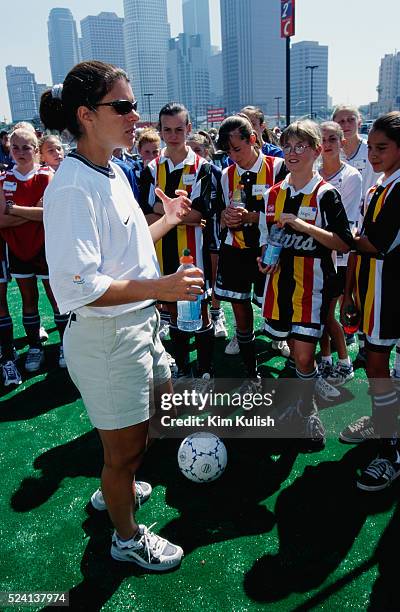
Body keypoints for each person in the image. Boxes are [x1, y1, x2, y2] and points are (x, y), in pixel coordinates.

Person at [40, 61, 200, 570]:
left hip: (137, 327)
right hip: (109, 338)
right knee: (124, 452)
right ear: (86, 115)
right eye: (124, 106)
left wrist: (167, 221)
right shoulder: (71, 188)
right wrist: (165, 287)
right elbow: (79, 287)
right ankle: (126, 536)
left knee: (148, 426)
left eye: (134, 104)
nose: (137, 117)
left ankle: (117, 490)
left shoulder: (108, 170)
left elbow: (125, 250)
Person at [258, 120, 353, 446]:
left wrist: (302, 225)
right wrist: (263, 259)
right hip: (279, 289)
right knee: (294, 355)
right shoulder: (273, 194)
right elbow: (265, 238)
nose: (293, 152)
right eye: (288, 146)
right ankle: (301, 405)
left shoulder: (326, 194)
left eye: (301, 146)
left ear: (316, 150)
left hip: (312, 290)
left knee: (302, 356)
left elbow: (343, 243)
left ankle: (308, 412)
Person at [339, 112, 400, 490]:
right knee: (376, 366)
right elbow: (362, 246)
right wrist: (350, 290)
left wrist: (328, 227)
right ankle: (384, 425)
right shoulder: (379, 185)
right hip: (374, 291)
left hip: (392, 293)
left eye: (382, 148)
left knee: (379, 367)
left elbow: (372, 244)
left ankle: (390, 450)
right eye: (371, 146)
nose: (373, 154)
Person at [140, 103, 215, 385]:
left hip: (194, 253)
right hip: (161, 252)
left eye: (179, 129)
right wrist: (177, 213)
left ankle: (206, 370)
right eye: (167, 130)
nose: (173, 135)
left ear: (189, 129)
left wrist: (165, 210)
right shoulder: (149, 168)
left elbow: (202, 213)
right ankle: (183, 368)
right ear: (159, 131)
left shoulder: (203, 167)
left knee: (200, 311)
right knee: (173, 313)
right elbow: (143, 214)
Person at [214, 114, 287, 389]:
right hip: (235, 252)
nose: (233, 156)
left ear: (253, 140)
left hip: (270, 253)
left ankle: (283, 351)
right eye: (228, 151)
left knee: (278, 313)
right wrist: (225, 218)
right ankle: (250, 373)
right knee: (241, 313)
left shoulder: (279, 168)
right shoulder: (224, 174)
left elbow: (286, 215)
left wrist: (251, 218)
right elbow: (220, 212)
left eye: (237, 149)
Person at [0, 128, 66, 378]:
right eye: (15, 147)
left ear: (36, 150)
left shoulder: (47, 176)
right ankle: (35, 347)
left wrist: (14, 209)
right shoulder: (4, 179)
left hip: (48, 248)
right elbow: (1, 221)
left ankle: (64, 346)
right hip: (18, 249)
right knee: (29, 300)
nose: (20, 152)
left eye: (26, 147)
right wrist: (33, 212)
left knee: (56, 298)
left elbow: (50, 214)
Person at [332, 105, 382, 364]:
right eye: (340, 120)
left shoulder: (370, 148)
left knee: (365, 284)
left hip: (369, 226)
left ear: (359, 121)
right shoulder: (331, 150)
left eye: (350, 119)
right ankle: (350, 328)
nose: (346, 124)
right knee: (343, 283)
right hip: (342, 229)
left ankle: (366, 342)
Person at [318, 121, 362, 386]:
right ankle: (325, 359)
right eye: (322, 139)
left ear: (342, 142)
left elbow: (342, 223)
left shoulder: (351, 176)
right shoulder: (312, 172)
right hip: (316, 254)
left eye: (333, 139)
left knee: (327, 313)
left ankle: (344, 363)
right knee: (318, 313)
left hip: (340, 257)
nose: (327, 144)